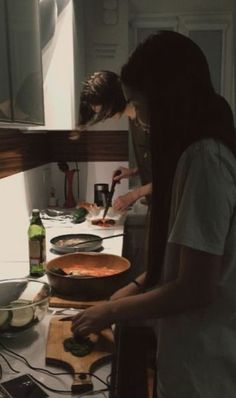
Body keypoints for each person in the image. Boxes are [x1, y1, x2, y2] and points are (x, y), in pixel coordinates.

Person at [71, 30, 236, 398]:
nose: (142, 120)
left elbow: (195, 287)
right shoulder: (197, 155)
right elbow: (174, 265)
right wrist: (126, 292)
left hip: (205, 370)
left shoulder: (206, 159)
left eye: (140, 104)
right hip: (190, 357)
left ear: (167, 99)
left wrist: (111, 313)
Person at [73, 70, 152, 211]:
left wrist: (133, 195)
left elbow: (170, 175)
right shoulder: (134, 119)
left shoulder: (147, 119)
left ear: (111, 100)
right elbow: (155, 163)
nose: (101, 115)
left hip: (173, 207)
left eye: (101, 111)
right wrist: (133, 171)